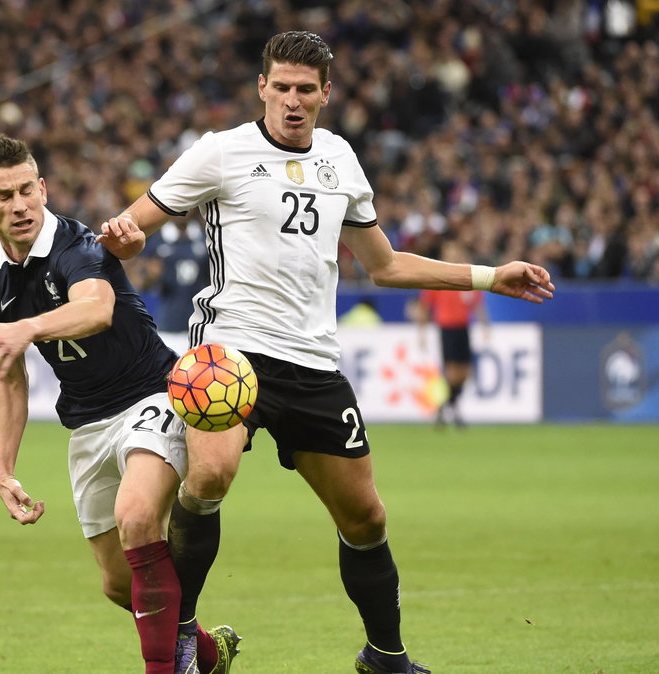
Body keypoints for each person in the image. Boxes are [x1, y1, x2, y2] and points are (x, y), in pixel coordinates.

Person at [99, 31, 555, 674]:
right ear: (261, 87)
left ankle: (385, 656)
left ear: (326, 95)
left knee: (366, 517)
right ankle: (183, 639)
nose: (292, 100)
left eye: (305, 90)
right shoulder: (220, 153)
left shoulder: (341, 159)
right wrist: (123, 237)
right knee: (210, 475)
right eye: (280, 87)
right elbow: (129, 227)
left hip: (314, 363)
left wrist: (486, 275)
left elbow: (386, 266)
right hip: (231, 349)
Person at [0, 134, 239, 674]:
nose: (18, 206)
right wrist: (3, 469)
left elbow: (97, 308)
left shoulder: (77, 245)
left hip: (152, 394)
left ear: (42, 189)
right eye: (3, 196)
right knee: (120, 584)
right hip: (88, 422)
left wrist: (27, 327)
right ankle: (208, 651)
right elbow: (11, 380)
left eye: (26, 191)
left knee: (137, 519)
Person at [414, 239, 491, 429]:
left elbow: (477, 303)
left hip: (463, 327)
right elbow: (425, 306)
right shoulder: (437, 275)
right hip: (446, 327)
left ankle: (444, 406)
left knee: (465, 372)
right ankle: (453, 410)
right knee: (452, 371)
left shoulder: (466, 275)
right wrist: (421, 332)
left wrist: (484, 325)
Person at [134, 214, 210, 353]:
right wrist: (151, 277)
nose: (184, 211)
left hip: (200, 327)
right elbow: (140, 283)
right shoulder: (157, 240)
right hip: (168, 326)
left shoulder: (205, 237)